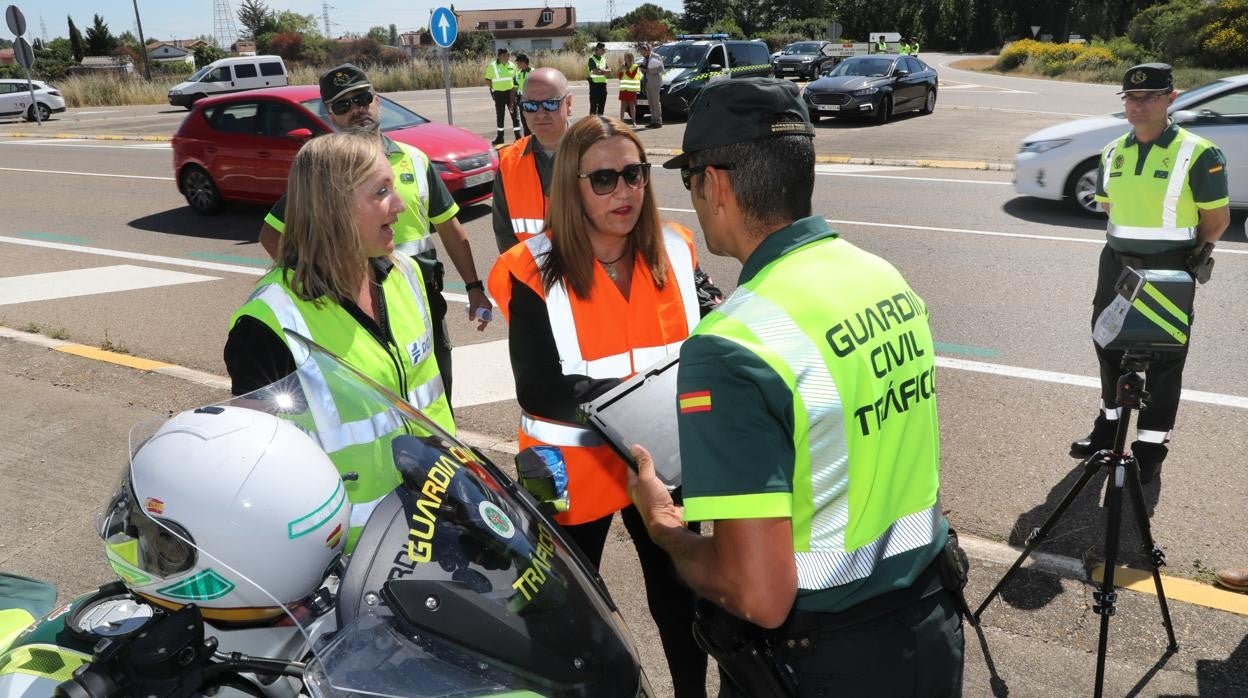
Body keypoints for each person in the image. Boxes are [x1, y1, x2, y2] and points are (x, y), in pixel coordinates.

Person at [629, 78, 964, 696]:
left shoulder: (730, 345)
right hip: (930, 630)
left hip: (823, 662)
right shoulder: (880, 277)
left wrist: (663, 528)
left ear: (716, 184)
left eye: (689, 182)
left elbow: (757, 594)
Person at [487, 116, 715, 697]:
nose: (625, 192)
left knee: (680, 598)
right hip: (571, 475)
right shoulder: (527, 268)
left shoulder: (675, 248)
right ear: (571, 186)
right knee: (570, 612)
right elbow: (541, 389)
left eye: (634, 174)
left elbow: (711, 338)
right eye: (605, 178)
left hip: (662, 463)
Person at [227, 132, 455, 546]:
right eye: (381, 192)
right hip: (353, 560)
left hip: (441, 516)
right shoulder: (268, 323)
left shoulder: (405, 274)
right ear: (332, 207)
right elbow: (258, 471)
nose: (400, 206)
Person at [258, 64, 492, 404]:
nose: (356, 110)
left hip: (422, 301)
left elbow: (451, 229)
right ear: (331, 114)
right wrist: (318, 280)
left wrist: (474, 288)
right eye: (343, 105)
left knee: (434, 393)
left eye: (362, 99)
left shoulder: (414, 160)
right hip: (357, 309)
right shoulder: (326, 173)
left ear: (376, 101)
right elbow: (271, 234)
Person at [1069, 63, 1229, 488]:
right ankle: (1109, 426)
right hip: (1116, 264)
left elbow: (1217, 218)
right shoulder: (1112, 151)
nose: (1138, 105)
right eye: (1131, 98)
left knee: (1164, 359)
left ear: (1171, 99)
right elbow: (1109, 208)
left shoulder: (1199, 153)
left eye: (1150, 97)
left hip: (1171, 266)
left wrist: (1198, 256)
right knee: (1107, 345)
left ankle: (1150, 448)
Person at [486, 48, 522, 145]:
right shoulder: (492, 66)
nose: (508, 57)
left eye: (508, 55)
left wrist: (514, 91)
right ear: (499, 56)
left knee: (515, 115)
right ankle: (500, 137)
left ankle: (518, 136)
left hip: (510, 93)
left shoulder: (512, 65)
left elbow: (515, 79)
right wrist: (495, 88)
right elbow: (488, 80)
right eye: (506, 55)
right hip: (499, 94)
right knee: (500, 116)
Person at [639, 43, 664, 128]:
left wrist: (649, 71)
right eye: (641, 52)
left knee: (655, 102)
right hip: (647, 82)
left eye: (643, 52)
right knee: (650, 103)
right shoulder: (645, 59)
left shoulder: (656, 56)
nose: (642, 54)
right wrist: (642, 69)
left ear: (648, 50)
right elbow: (645, 69)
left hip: (655, 82)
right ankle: (653, 120)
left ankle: (658, 121)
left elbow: (661, 68)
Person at [618, 51, 641, 126]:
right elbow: (620, 77)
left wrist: (626, 69)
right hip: (623, 89)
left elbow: (632, 76)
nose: (625, 58)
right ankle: (621, 121)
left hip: (631, 89)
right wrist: (620, 70)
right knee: (623, 105)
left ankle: (634, 121)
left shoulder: (635, 66)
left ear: (630, 58)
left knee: (632, 105)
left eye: (626, 57)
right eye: (624, 57)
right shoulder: (623, 66)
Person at [514, 52, 533, 137]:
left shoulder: (533, 72)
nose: (517, 64)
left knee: (532, 121)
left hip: (532, 100)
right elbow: (515, 88)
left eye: (518, 62)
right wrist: (513, 101)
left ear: (523, 62)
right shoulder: (518, 73)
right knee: (524, 122)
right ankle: (527, 140)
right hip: (521, 100)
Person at [588, 42, 609, 116]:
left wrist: (601, 71)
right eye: (603, 49)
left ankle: (600, 124)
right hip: (594, 85)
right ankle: (592, 124)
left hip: (603, 85)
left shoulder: (603, 59)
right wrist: (604, 71)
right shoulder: (591, 59)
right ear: (598, 49)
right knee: (593, 106)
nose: (604, 51)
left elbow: (609, 70)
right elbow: (595, 71)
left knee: (601, 106)